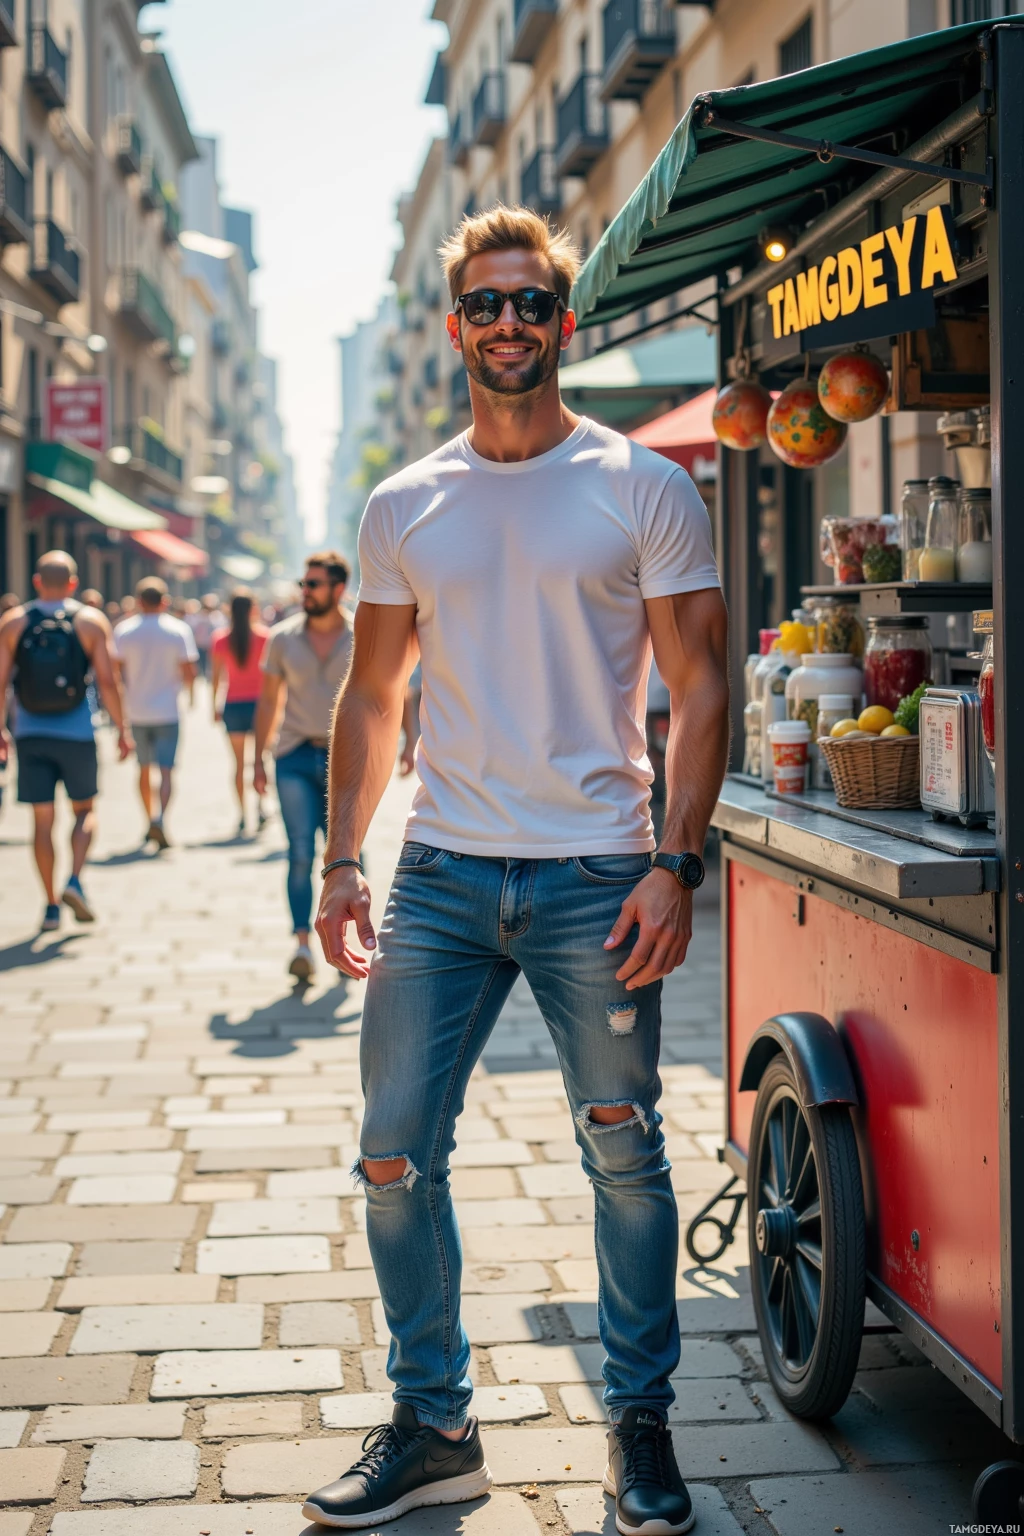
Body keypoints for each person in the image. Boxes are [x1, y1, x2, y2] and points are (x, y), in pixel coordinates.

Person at [303, 207, 729, 1535]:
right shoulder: (406, 502)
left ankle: (642, 1421)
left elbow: (701, 683)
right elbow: (371, 701)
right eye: (485, 305)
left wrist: (678, 861)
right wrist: (338, 864)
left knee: (623, 1151)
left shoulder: (641, 484)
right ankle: (434, 1425)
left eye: (530, 305)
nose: (508, 325)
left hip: (598, 875)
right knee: (390, 1155)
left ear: (564, 322)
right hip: (438, 874)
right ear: (454, 328)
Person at [0, 551, 131, 930]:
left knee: (42, 822)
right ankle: (74, 879)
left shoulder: (13, 622)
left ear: (37, 581)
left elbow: (2, 680)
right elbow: (108, 680)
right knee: (85, 811)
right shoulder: (90, 621)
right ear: (73, 583)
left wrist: (2, 729)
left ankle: (51, 905)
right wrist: (122, 729)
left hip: (30, 733)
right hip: (77, 732)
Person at [254, 553, 353, 983]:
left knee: (348, 855)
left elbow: (389, 692)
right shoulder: (282, 638)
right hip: (293, 755)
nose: (305, 591)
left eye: (314, 584)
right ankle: (302, 945)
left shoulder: (363, 634)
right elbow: (268, 700)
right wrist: (256, 758)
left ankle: (346, 944)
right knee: (299, 853)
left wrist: (404, 744)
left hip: (347, 759)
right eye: (304, 583)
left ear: (338, 589)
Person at [113, 577, 198, 848]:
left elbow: (115, 673)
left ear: (138, 601)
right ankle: (161, 818)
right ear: (164, 601)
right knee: (166, 771)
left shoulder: (124, 630)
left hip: (136, 710)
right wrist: (190, 695)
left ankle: (149, 818)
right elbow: (189, 671)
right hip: (167, 711)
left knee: (143, 769)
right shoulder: (178, 630)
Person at [211, 588, 269, 836]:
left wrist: (214, 705)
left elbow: (215, 677)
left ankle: (243, 814)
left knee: (238, 765)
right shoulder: (266, 637)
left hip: (233, 705)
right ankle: (261, 807)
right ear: (254, 609)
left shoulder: (221, 639)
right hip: (260, 705)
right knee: (260, 760)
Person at [188, 591, 227, 679]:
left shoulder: (218, 617)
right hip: (200, 646)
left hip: (212, 647)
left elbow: (220, 629)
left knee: (211, 669)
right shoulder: (197, 616)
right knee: (199, 669)